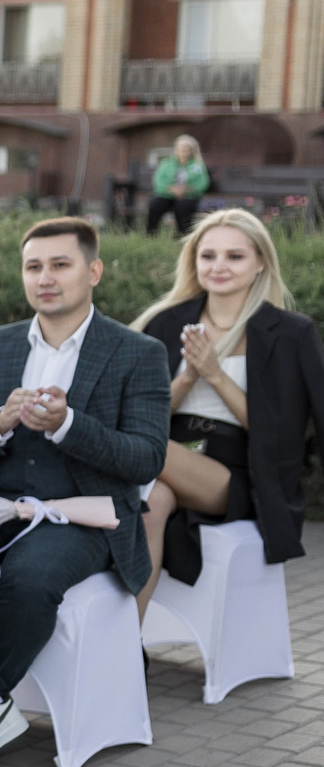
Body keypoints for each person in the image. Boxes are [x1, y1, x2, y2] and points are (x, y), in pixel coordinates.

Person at [0, 219, 169, 767]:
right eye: (34, 266)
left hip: (84, 517)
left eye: (60, 265)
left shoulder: (138, 352)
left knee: (32, 579)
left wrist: (68, 426)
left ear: (94, 271)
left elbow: (146, 458)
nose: (45, 278)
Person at [133, 209, 324, 611]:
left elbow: (282, 435)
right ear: (194, 262)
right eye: (208, 256)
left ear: (260, 263)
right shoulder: (166, 323)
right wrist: (186, 379)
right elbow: (145, 414)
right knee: (151, 509)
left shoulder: (292, 333)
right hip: (174, 454)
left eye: (234, 257)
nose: (218, 266)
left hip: (245, 469)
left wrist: (215, 374)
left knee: (145, 449)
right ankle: (128, 649)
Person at [147, 136, 211, 236]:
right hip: (167, 195)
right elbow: (158, 181)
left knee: (183, 206)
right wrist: (171, 190)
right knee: (156, 204)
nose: (183, 152)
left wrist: (186, 190)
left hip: (188, 196)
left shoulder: (198, 165)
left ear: (192, 151)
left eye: (186, 150)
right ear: (176, 150)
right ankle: (150, 234)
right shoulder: (167, 163)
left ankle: (182, 236)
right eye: (181, 149)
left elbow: (203, 184)